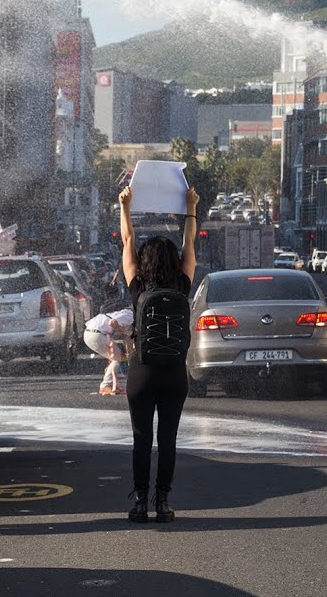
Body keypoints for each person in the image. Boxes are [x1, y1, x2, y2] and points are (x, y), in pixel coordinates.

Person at [118, 183, 199, 524]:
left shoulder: (138, 288)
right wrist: (191, 207)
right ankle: (162, 503)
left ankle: (139, 503)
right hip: (174, 374)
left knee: (141, 439)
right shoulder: (182, 283)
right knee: (167, 440)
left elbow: (127, 242)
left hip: (142, 371)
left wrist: (125, 207)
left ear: (145, 262)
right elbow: (189, 243)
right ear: (175, 262)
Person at [84, 307, 134, 395]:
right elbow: (113, 323)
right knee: (118, 359)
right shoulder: (129, 314)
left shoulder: (113, 313)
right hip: (97, 335)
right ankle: (105, 385)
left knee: (115, 358)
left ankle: (114, 385)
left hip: (88, 334)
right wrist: (125, 331)